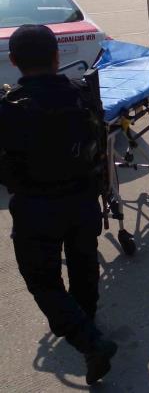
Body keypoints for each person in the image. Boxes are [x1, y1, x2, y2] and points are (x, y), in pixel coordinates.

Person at [0, 25, 118, 384]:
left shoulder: (8, 108)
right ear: (56, 58)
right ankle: (87, 319)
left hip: (36, 209)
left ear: (15, 62)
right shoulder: (83, 94)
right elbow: (99, 141)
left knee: (43, 281)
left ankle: (89, 339)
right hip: (82, 201)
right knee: (83, 263)